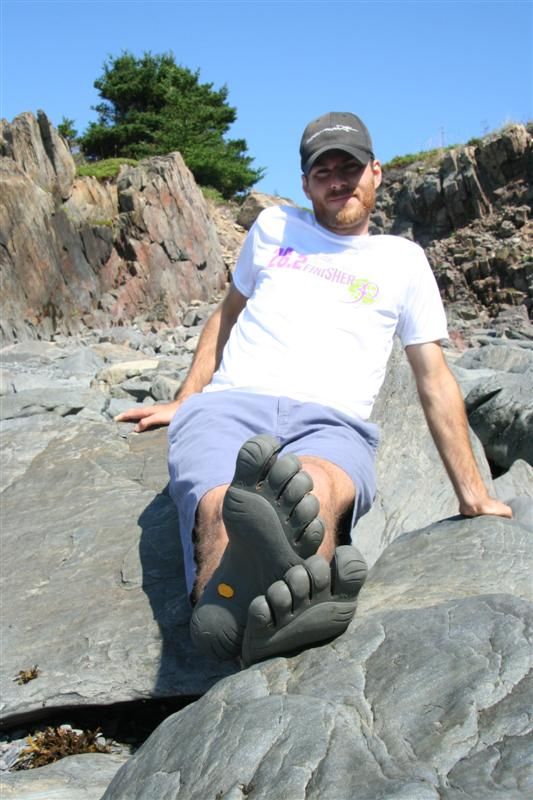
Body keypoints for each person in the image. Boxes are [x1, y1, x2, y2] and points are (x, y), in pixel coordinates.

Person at [116, 111, 512, 666]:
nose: (337, 180)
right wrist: (188, 398)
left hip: (331, 420)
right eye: (322, 171)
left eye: (348, 167)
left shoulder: (403, 261)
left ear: (375, 172)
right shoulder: (273, 228)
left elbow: (433, 374)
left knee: (316, 488)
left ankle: (246, 610)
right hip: (231, 403)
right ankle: (250, 604)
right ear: (305, 184)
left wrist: (471, 491)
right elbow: (227, 315)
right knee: (219, 499)